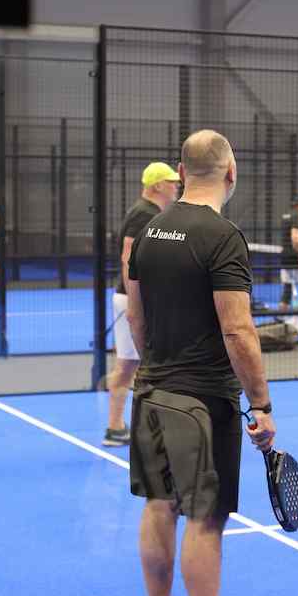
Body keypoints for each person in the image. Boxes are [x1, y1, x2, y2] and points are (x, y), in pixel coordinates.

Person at [126, 129, 276, 596]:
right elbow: (238, 331)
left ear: (182, 172)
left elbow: (135, 315)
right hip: (202, 401)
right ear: (231, 173)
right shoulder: (222, 236)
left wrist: (158, 365)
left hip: (151, 389)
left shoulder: (149, 231)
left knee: (158, 503)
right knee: (206, 518)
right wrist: (261, 403)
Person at [103, 162, 180, 447]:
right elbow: (128, 258)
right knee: (142, 365)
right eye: (171, 181)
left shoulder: (150, 213)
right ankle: (128, 428)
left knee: (131, 364)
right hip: (134, 300)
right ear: (158, 185)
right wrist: (136, 303)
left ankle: (118, 427)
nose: (176, 185)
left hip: (133, 299)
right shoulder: (144, 214)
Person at [279, 193, 298, 315]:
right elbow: (296, 238)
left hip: (285, 257)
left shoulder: (286, 215)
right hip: (296, 258)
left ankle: (281, 317)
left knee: (287, 288)